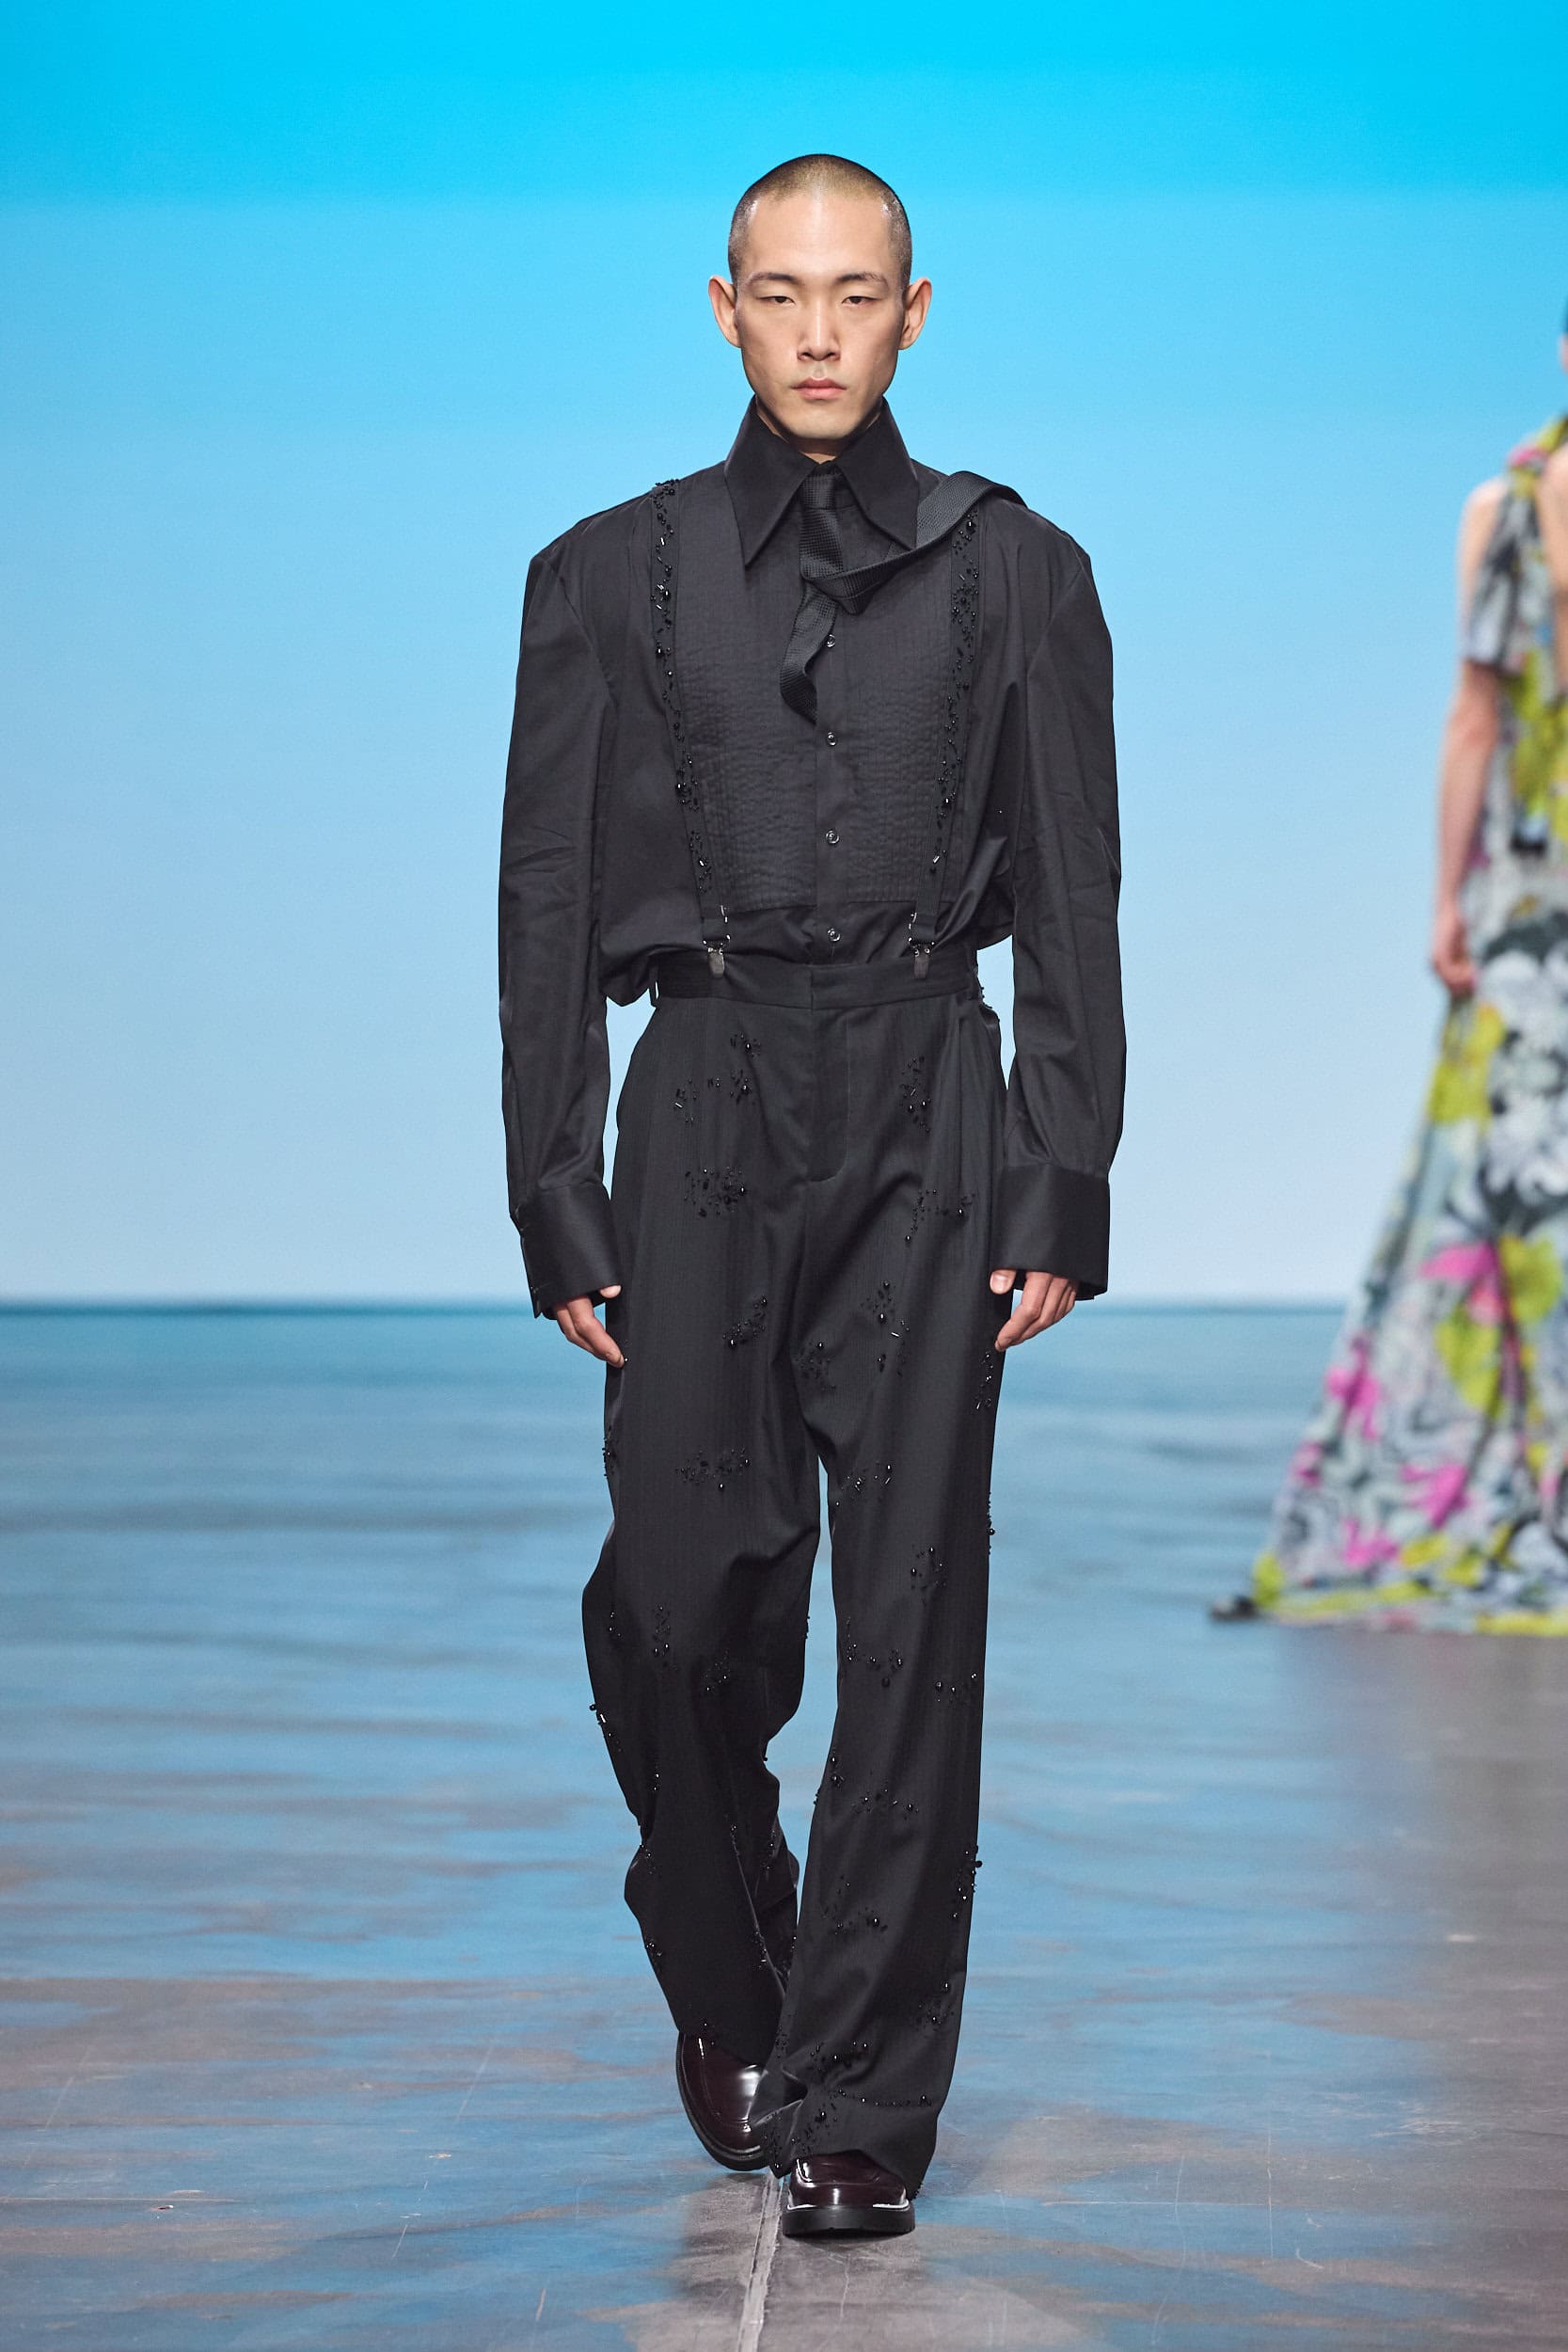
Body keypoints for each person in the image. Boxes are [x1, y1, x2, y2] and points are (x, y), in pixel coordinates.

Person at [499, 155, 1124, 2234]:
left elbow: (1077, 891)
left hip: (932, 1100)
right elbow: (544, 902)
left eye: (859, 294)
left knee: (914, 1616)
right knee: (681, 1606)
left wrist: (1063, 1166)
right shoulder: (606, 573)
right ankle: (726, 1944)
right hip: (700, 1103)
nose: (823, 331)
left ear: (915, 312)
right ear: (726, 307)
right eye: (784, 293)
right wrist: (553, 1187)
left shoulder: (1022, 569)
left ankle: (860, 2100)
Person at [1220, 316, 1568, 1632]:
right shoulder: (1504, 509)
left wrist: (1450, 899)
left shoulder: (1508, 508)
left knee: (1519, 1184)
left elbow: (1477, 713)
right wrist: (1448, 898)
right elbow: (1474, 713)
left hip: (1527, 882)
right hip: (1532, 891)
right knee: (1522, 1186)